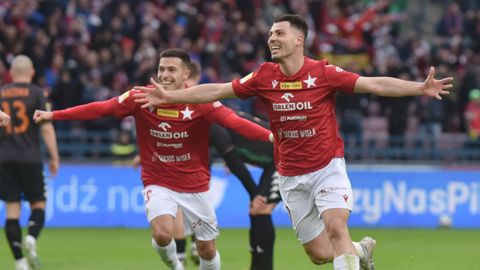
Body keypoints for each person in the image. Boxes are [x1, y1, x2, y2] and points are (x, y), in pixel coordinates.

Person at [133, 14, 453, 270]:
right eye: (271, 34)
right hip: (290, 176)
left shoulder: (323, 73)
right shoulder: (264, 76)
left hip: (327, 166)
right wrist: (171, 96)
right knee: (318, 254)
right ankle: (362, 251)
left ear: (299, 39)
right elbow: (215, 91)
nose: (272, 38)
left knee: (337, 228)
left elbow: (371, 83)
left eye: (279, 33)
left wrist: (418, 88)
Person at [34, 48, 273, 270]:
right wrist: (53, 115)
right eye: (161, 69)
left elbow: (236, 123)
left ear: (186, 74)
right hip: (158, 180)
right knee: (162, 234)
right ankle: (176, 266)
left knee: (207, 250)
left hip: (195, 184)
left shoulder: (202, 101)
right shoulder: (140, 97)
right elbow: (101, 108)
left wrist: (271, 136)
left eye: (171, 70)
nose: (165, 75)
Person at [0, 55, 60, 270]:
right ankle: (32, 237)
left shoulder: (1, 93)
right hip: (30, 157)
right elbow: (45, 126)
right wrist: (54, 156)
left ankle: (19, 261)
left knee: (11, 211)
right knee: (38, 204)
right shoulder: (37, 93)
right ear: (32, 72)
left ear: (12, 72)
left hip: (4, 158)